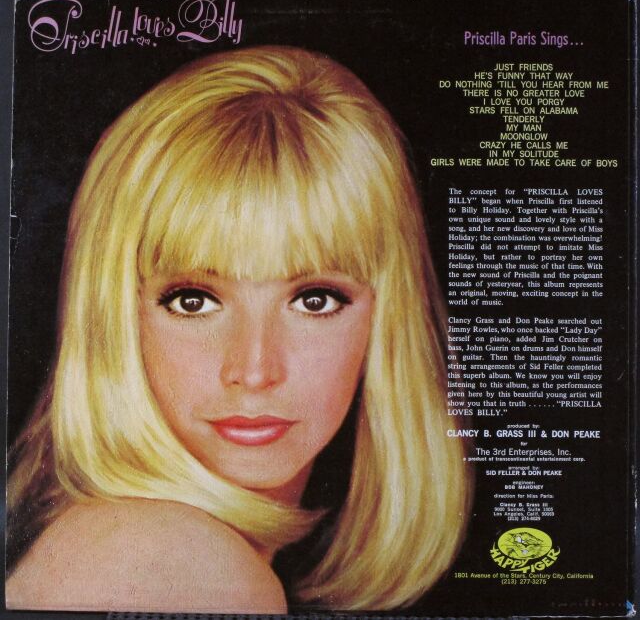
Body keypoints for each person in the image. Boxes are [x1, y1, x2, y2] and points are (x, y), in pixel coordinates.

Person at [6, 45, 471, 612]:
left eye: (315, 300)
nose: (254, 369)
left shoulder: (143, 546)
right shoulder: (171, 560)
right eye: (194, 301)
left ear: (385, 318)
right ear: (114, 312)